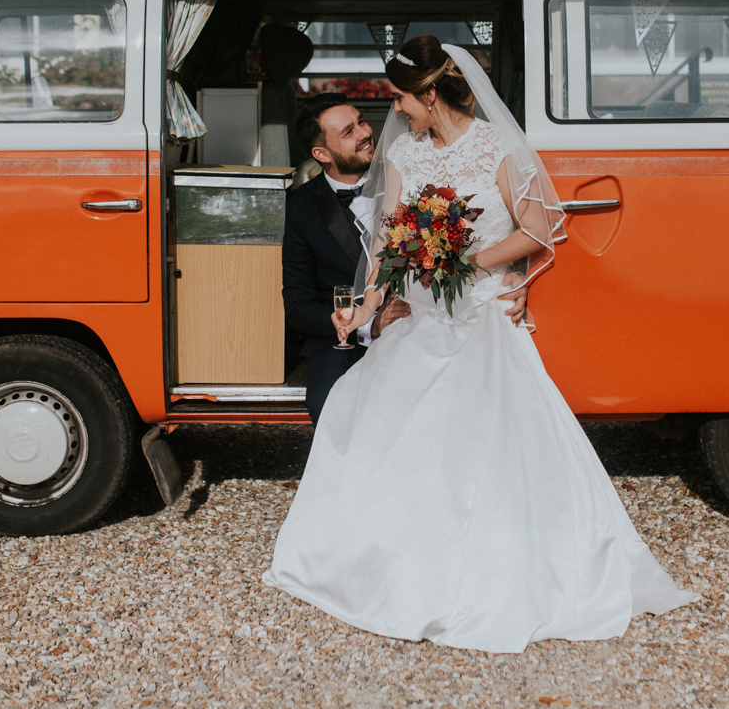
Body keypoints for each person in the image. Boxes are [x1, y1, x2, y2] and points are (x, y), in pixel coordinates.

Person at [264, 36, 701, 653]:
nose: (396, 114)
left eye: (401, 101)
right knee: (390, 432)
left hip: (480, 315)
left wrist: (475, 261)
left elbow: (541, 227)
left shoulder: (496, 148)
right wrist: (365, 303)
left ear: (431, 95)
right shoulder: (408, 158)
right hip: (419, 316)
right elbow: (391, 246)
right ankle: (396, 567)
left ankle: (491, 569)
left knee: (485, 443)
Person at [282, 92, 526, 424]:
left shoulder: (408, 169)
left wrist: (515, 273)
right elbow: (297, 306)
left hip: (420, 316)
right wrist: (369, 321)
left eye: (362, 122)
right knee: (331, 406)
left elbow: (490, 225)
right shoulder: (301, 207)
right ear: (321, 154)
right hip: (344, 340)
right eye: (348, 132)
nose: (365, 133)